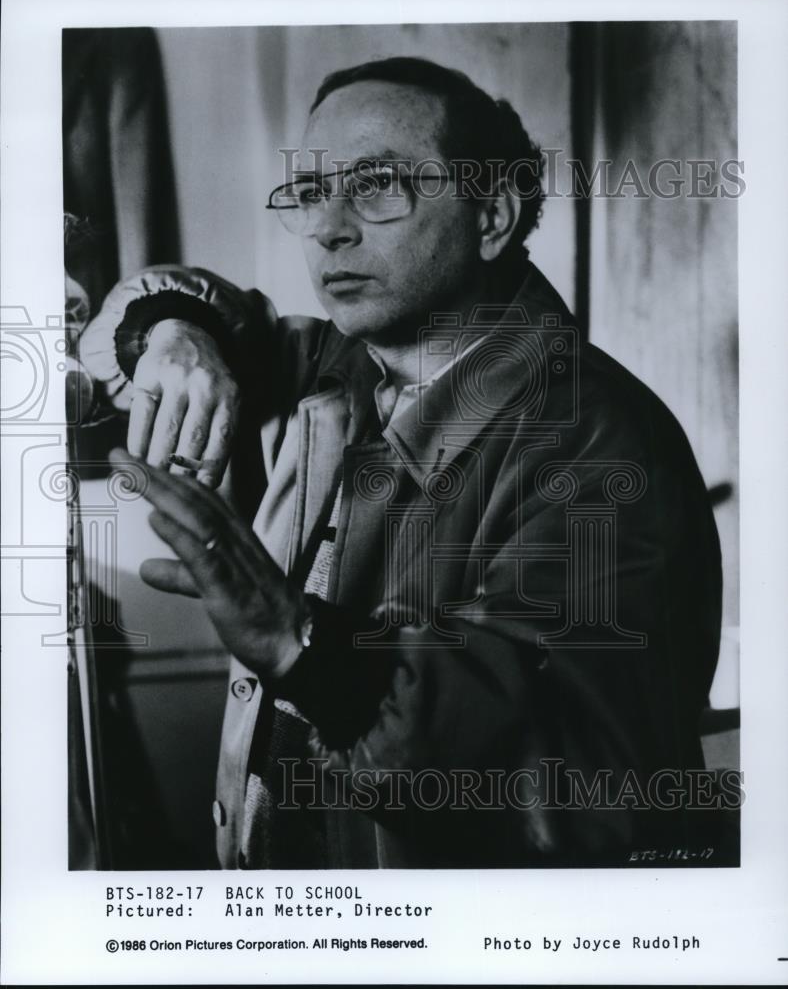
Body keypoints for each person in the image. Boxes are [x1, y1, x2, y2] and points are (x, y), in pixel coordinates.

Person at [78, 57, 724, 868]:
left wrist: (298, 644)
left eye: (377, 183)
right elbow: (155, 316)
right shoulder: (339, 368)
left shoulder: (598, 441)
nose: (328, 228)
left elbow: (570, 790)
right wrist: (175, 332)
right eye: (312, 192)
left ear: (490, 214)